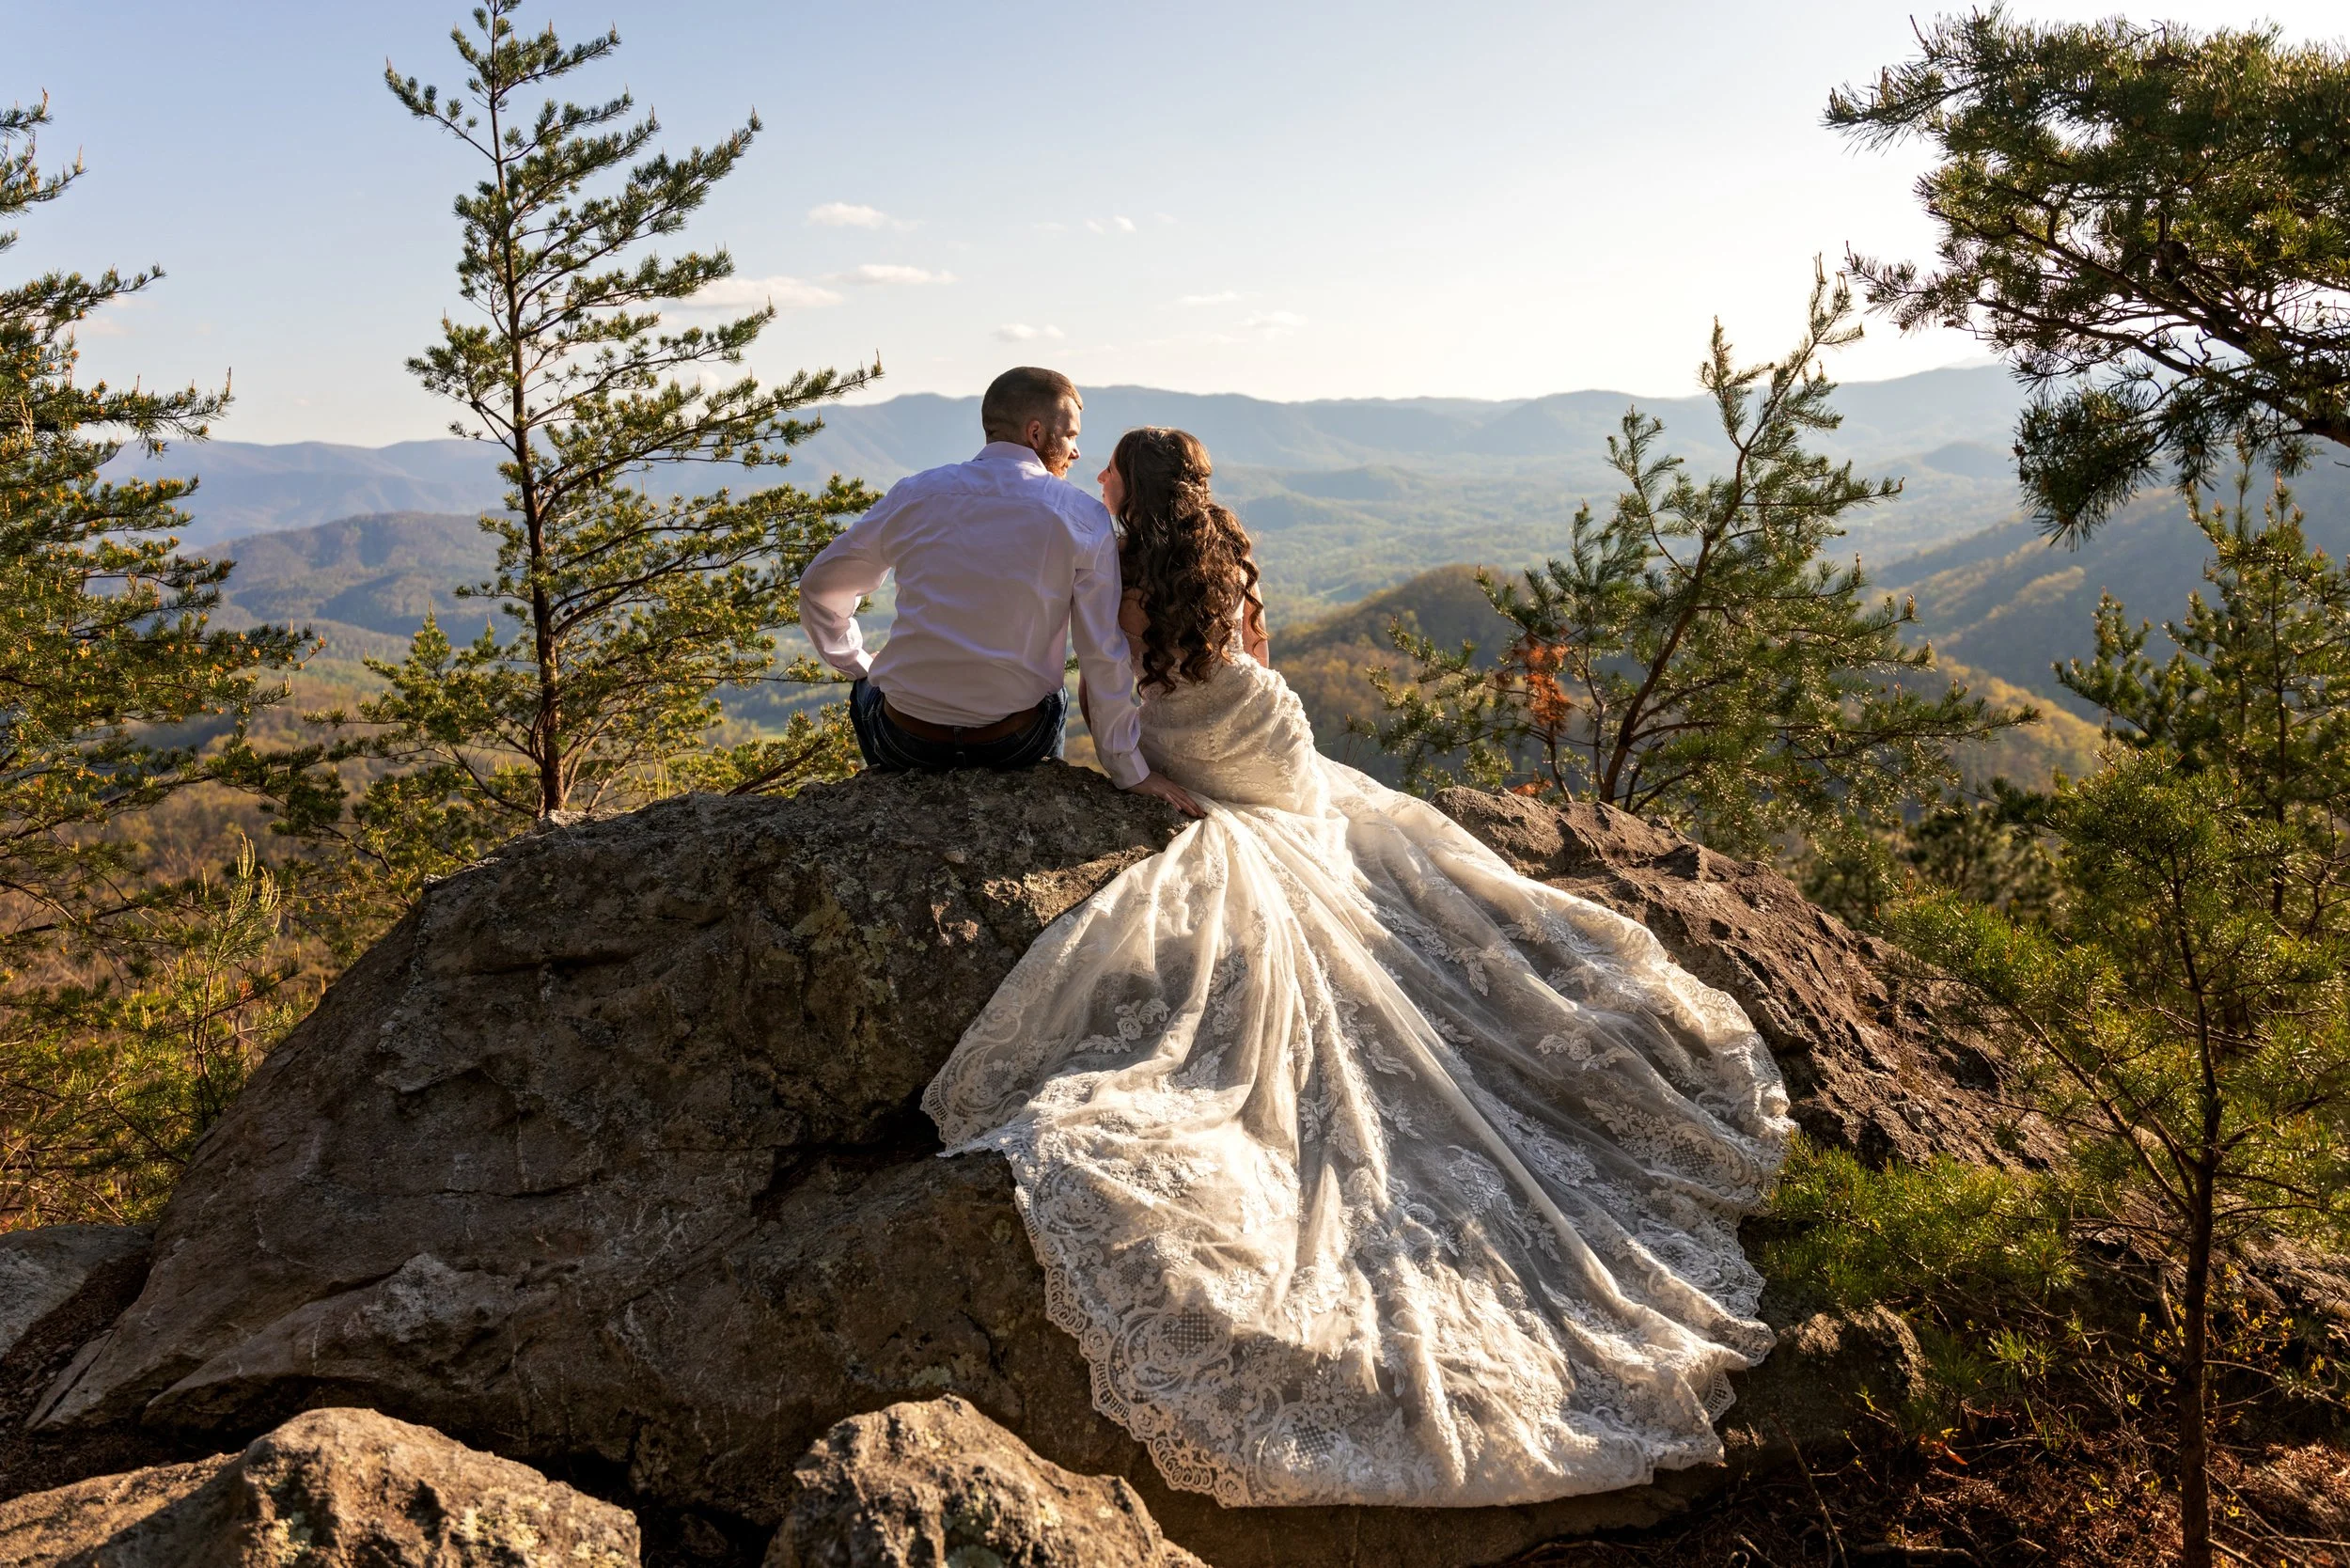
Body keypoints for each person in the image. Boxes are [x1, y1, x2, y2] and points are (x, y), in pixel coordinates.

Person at [923, 427, 1793, 1510]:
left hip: (1192, 737)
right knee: (1357, 836)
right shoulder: (1223, 546)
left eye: (1105, 468)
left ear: (1123, 484)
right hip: (1266, 727)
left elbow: (1112, 682)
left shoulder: (1113, 557)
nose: (1091, 475)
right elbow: (1260, 652)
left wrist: (1137, 775)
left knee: (1277, 893)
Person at [798, 367, 1200, 815]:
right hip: (1014, 745)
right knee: (1053, 693)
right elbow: (1102, 654)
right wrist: (1130, 772)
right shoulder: (1083, 516)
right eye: (1068, 436)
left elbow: (819, 586)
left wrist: (858, 663)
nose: (1076, 451)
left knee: (867, 688)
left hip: (905, 740)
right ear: (1035, 433)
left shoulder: (916, 494)